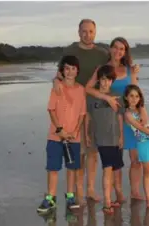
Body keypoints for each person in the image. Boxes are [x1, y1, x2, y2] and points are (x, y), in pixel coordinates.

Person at [52, 19, 140, 203]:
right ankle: (80, 190)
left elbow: (119, 62)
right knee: (84, 150)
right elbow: (61, 73)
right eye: (84, 31)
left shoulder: (102, 53)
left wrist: (134, 70)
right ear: (78, 32)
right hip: (82, 104)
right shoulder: (70, 51)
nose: (87, 34)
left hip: (109, 112)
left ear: (95, 32)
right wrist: (55, 82)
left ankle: (95, 189)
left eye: (91, 31)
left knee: (101, 150)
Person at [85, 37, 146, 200]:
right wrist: (107, 99)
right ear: (110, 49)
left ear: (125, 52)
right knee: (114, 160)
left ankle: (135, 191)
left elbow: (137, 93)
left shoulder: (129, 70)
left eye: (122, 49)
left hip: (130, 118)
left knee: (135, 158)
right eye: (116, 47)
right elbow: (88, 88)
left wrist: (143, 114)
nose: (118, 51)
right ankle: (117, 192)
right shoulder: (102, 69)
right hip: (111, 120)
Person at [37, 55, 86, 214]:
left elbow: (82, 114)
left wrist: (74, 132)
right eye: (67, 68)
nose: (70, 72)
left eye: (73, 68)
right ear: (62, 71)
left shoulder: (81, 90)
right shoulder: (57, 88)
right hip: (55, 136)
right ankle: (50, 197)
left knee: (72, 167)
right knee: (53, 167)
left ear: (77, 70)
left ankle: (70, 195)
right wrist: (60, 130)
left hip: (73, 137)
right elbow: (51, 110)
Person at [85, 65, 124, 214]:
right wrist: (87, 135)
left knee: (115, 169)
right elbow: (88, 117)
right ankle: (107, 202)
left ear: (112, 81)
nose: (105, 82)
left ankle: (111, 198)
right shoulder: (92, 97)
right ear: (98, 80)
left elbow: (120, 116)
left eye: (108, 80)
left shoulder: (117, 96)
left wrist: (121, 136)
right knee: (107, 170)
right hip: (102, 139)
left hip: (115, 138)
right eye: (102, 79)